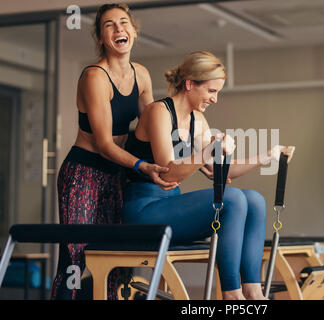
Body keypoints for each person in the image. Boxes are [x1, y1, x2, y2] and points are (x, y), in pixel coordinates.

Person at [122, 51, 295, 300]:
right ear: (190, 84)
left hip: (170, 208)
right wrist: (207, 151)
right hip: (144, 210)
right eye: (211, 91)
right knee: (233, 199)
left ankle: (253, 291)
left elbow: (220, 174)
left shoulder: (197, 121)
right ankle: (231, 295)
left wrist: (269, 155)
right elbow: (168, 172)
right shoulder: (158, 111)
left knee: (254, 200)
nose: (215, 99)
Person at [51, 3, 177, 300]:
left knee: (117, 258)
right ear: (100, 38)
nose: (119, 28)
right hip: (84, 171)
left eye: (124, 23)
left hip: (119, 171)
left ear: (133, 31)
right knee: (76, 255)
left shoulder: (142, 75)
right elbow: (104, 144)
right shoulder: (95, 77)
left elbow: (151, 129)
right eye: (109, 25)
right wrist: (144, 167)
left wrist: (191, 153)